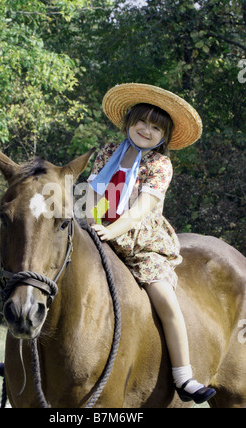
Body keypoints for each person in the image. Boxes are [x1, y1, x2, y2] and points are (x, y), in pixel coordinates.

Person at [86, 83, 216, 404]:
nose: (146, 130)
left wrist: (111, 232)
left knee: (166, 302)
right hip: (97, 229)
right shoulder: (107, 153)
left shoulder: (159, 166)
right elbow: (91, 192)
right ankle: (25, 356)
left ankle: (184, 376)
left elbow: (139, 211)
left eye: (156, 127)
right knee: (51, 268)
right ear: (129, 121)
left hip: (141, 243)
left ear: (164, 136)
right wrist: (90, 222)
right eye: (142, 121)